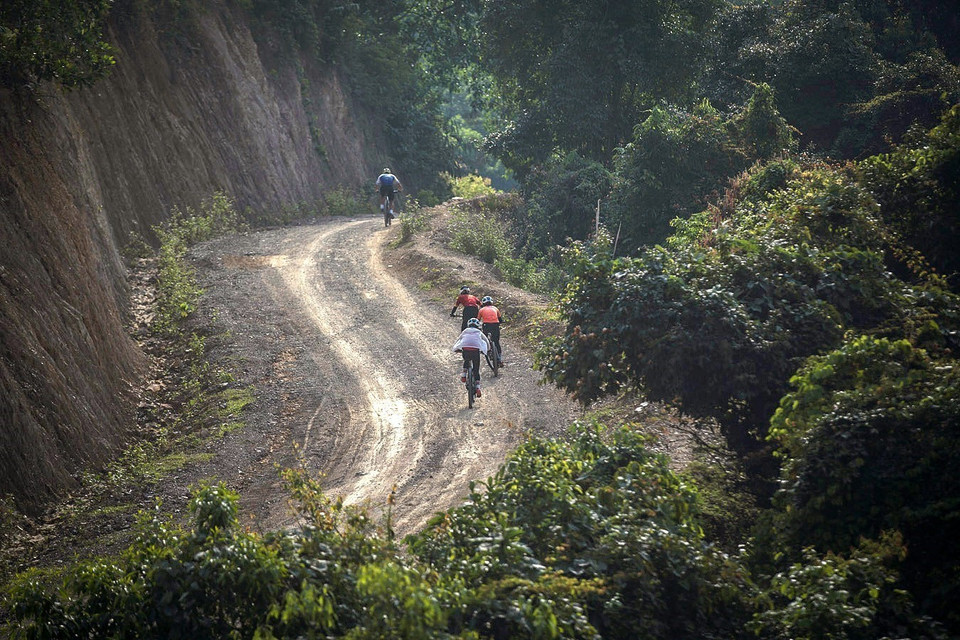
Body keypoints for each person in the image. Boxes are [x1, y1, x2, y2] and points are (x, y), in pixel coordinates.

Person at [452, 317, 491, 397]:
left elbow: (458, 340)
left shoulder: (465, 331)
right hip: (475, 351)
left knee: (466, 360)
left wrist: (456, 348)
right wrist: (488, 349)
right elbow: (486, 341)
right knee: (476, 369)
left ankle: (463, 374)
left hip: (465, 349)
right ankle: (478, 387)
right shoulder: (479, 332)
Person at [477, 295, 504, 367]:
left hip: (486, 325)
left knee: (485, 340)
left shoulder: (481, 310)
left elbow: (478, 320)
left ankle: (488, 351)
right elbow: (500, 320)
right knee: (497, 342)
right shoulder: (496, 308)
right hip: (495, 325)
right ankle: (500, 359)